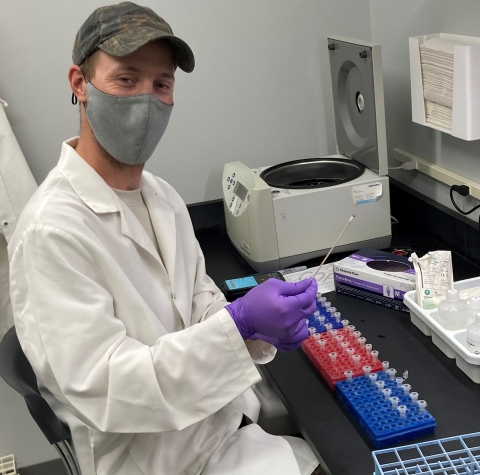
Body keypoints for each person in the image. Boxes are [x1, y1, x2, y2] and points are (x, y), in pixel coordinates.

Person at [8, 3, 321, 474]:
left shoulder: (162, 197)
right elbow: (109, 388)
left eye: (162, 84)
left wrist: (252, 328)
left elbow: (198, 299)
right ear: (80, 84)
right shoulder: (50, 230)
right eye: (126, 79)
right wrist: (236, 327)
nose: (146, 101)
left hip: (219, 429)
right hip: (154, 461)